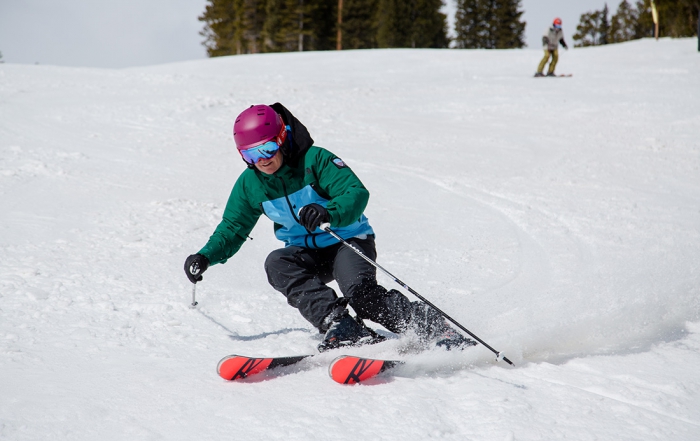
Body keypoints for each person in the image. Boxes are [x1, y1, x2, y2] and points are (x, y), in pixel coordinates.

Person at [184, 103, 475, 352]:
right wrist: (206, 255)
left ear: (282, 137)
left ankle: (430, 327)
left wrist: (329, 211)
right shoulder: (250, 184)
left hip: (346, 240)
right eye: (250, 155)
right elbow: (233, 227)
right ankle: (341, 325)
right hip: (306, 252)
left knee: (362, 296)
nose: (262, 160)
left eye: (268, 148)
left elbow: (355, 192)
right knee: (277, 262)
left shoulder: (316, 160)